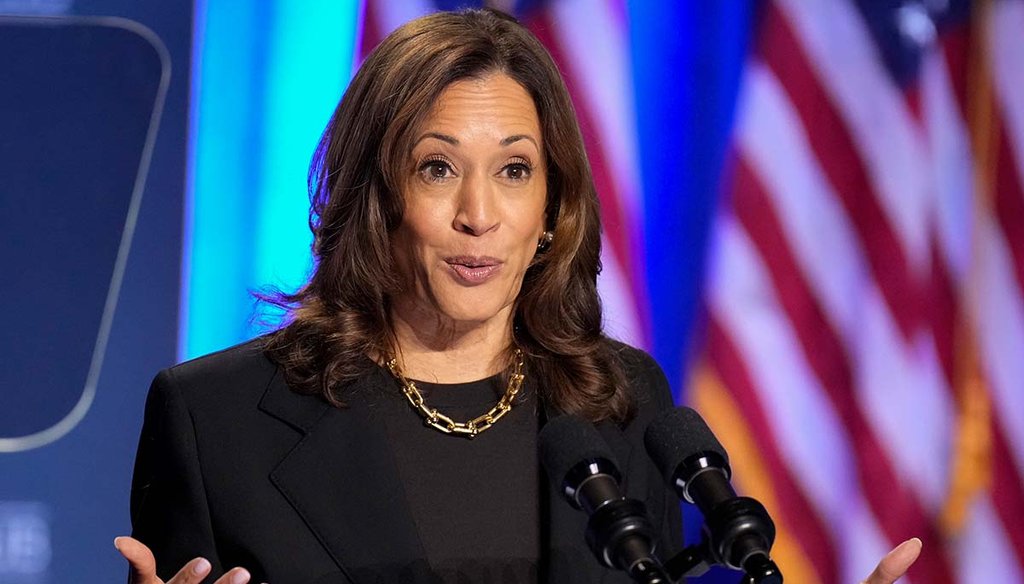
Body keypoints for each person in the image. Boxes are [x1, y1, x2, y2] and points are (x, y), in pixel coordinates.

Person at [116, 8, 921, 584]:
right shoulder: (215, 421)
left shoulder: (623, 402)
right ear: (378, 197)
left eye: (513, 171)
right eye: (437, 167)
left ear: (551, 210)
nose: (479, 215)